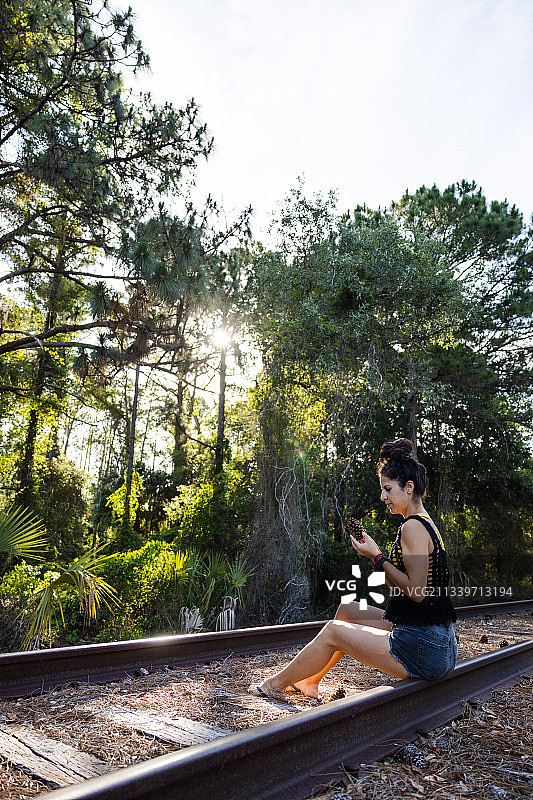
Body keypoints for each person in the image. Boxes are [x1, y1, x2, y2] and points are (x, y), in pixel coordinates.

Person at [249, 438, 458, 700]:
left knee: (333, 631)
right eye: (382, 490)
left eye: (387, 489)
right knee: (348, 610)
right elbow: (400, 587)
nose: (383, 497)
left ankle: (273, 685)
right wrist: (375, 555)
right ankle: (309, 682)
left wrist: (377, 557)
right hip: (436, 641)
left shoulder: (412, 527)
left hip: (424, 648)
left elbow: (416, 592)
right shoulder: (425, 523)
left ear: (408, 487)